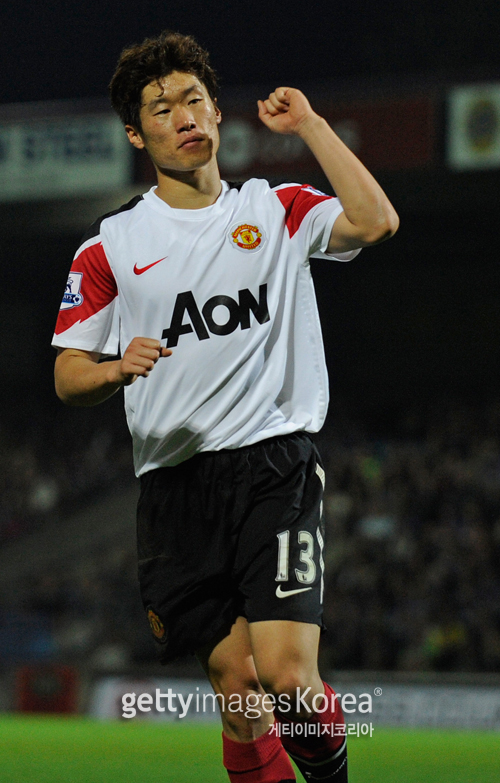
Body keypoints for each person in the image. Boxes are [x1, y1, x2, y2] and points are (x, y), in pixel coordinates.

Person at [52, 30, 398, 783]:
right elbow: (68, 374)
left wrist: (310, 126)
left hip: (273, 467)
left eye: (194, 99)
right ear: (136, 134)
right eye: (162, 108)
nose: (183, 116)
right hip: (174, 490)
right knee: (240, 695)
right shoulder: (110, 244)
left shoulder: (275, 208)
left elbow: (376, 221)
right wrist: (113, 368)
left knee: (287, 678)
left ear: (216, 112)